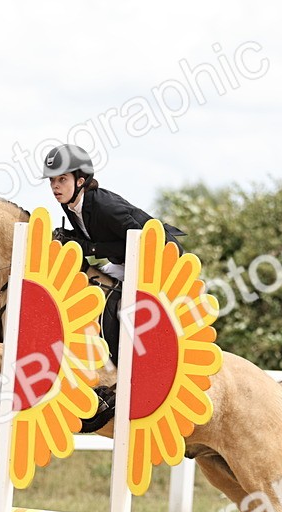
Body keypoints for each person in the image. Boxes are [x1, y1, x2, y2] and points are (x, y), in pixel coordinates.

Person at [42, 143, 188, 431]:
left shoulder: (105, 205)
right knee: (88, 287)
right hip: (124, 260)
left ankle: (128, 369)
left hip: (157, 259)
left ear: (80, 181)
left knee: (116, 301)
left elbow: (141, 239)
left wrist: (89, 247)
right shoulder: (70, 204)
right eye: (52, 180)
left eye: (62, 179)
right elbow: (96, 240)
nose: (55, 186)